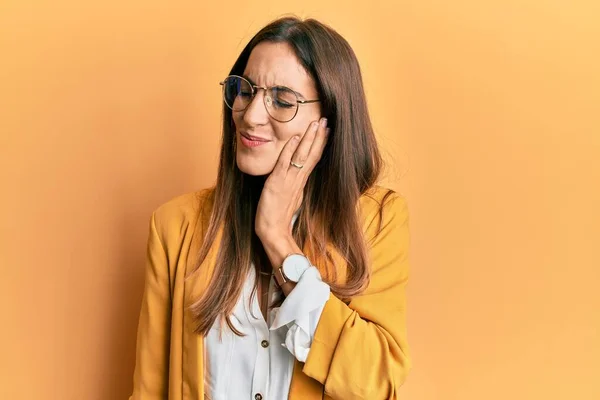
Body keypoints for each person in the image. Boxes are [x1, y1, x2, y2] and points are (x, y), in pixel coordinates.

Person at [129, 16, 411, 400]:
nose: (250, 115)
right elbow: (149, 392)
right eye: (245, 90)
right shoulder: (174, 226)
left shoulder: (376, 222)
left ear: (330, 119)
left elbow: (376, 384)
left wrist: (277, 236)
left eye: (281, 100)